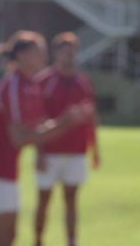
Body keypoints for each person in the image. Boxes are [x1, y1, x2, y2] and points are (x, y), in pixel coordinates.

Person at [0, 31, 93, 246]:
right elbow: (20, 138)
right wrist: (65, 123)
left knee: (3, 235)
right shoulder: (14, 84)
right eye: (39, 53)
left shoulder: (30, 85)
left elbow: (38, 128)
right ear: (23, 55)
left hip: (5, 169)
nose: (44, 59)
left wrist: (68, 121)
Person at [33, 32, 100, 246]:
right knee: (44, 200)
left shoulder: (83, 81)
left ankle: (71, 242)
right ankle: (38, 240)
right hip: (51, 151)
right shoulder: (44, 81)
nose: (69, 56)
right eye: (65, 51)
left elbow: (91, 117)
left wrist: (95, 150)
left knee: (71, 201)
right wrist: (40, 152)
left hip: (76, 151)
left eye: (72, 52)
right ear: (56, 53)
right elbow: (36, 118)